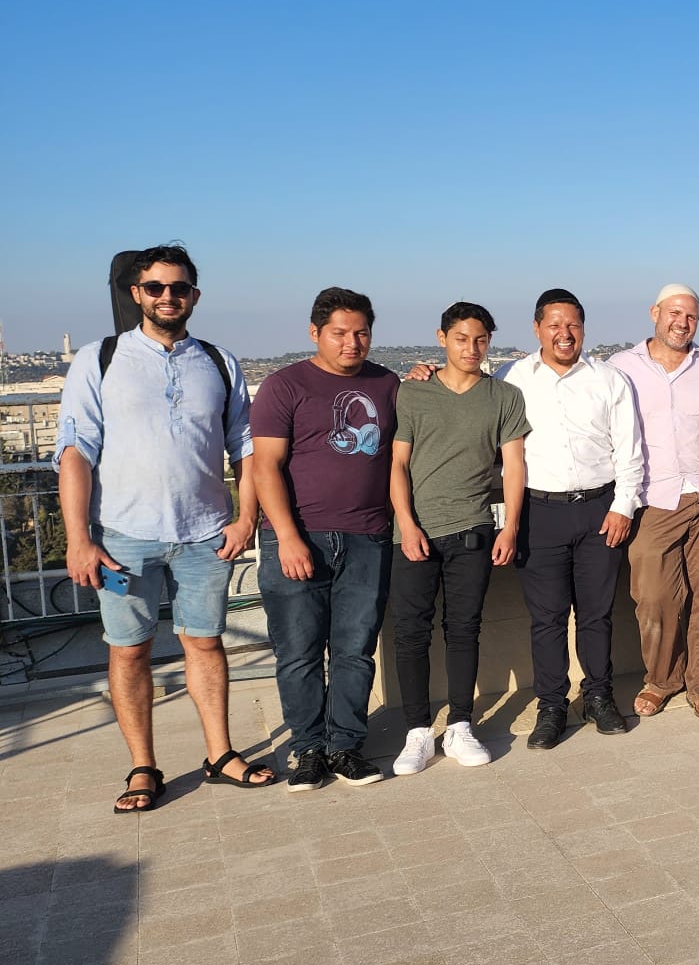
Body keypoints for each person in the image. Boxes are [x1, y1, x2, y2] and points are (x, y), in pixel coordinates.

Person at [56, 244, 274, 810]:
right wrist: (79, 540)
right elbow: (75, 452)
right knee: (129, 650)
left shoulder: (219, 362)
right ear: (137, 294)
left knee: (205, 643)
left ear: (194, 295)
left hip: (205, 535)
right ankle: (142, 767)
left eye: (178, 287)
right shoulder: (99, 359)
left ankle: (220, 754)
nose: (167, 296)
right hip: (122, 539)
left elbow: (244, 448)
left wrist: (246, 517)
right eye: (155, 287)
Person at [252, 287, 399, 789]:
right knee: (299, 653)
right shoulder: (284, 385)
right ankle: (308, 749)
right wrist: (288, 537)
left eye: (361, 333)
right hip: (298, 537)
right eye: (339, 333)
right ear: (315, 333)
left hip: (367, 536)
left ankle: (345, 746)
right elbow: (265, 467)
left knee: (355, 651)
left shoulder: (387, 383)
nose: (352, 342)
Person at [387, 302, 529, 775]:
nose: (472, 348)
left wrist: (510, 526)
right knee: (411, 632)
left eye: (481, 339)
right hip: (415, 533)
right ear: (442, 338)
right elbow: (398, 464)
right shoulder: (414, 392)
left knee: (464, 629)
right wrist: (407, 523)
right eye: (462, 338)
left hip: (473, 529)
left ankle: (460, 725)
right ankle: (417, 732)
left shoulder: (504, 397)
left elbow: (514, 465)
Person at [503, 288, 643, 750]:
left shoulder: (608, 379)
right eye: (554, 325)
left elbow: (629, 449)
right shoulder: (512, 378)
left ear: (583, 328)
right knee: (546, 618)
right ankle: (551, 706)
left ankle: (599, 696)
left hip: (599, 510)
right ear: (537, 328)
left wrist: (623, 506)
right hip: (538, 512)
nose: (564, 334)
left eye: (573, 325)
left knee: (596, 614)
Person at [612, 285, 699, 721]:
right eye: (674, 313)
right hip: (654, 496)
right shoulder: (621, 367)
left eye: (691, 316)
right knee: (654, 596)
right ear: (655, 313)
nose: (682, 323)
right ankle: (662, 679)